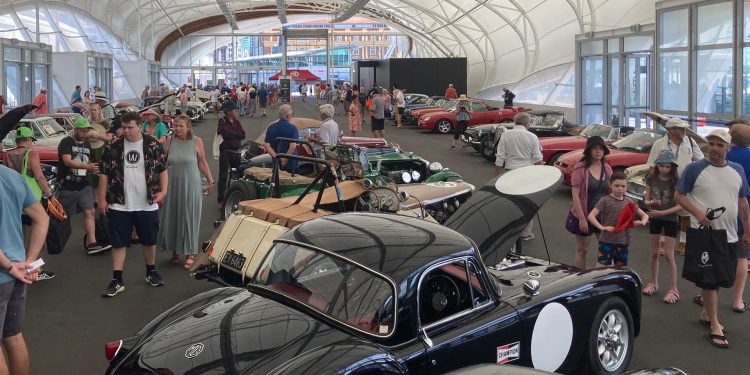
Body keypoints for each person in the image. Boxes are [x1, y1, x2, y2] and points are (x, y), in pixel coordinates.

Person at [675, 128, 750, 349]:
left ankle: (707, 313)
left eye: (720, 145)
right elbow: (679, 195)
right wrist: (697, 213)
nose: (715, 148)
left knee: (722, 276)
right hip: (705, 234)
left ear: (729, 147)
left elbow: (743, 202)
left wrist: (747, 229)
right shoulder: (694, 169)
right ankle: (715, 324)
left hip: (729, 233)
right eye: (712, 144)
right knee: (709, 279)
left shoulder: (737, 170)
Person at [98, 111, 168, 297]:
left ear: (139, 126)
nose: (126, 131)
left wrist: (163, 191)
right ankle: (117, 279)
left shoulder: (153, 144)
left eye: (130, 127)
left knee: (149, 240)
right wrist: (102, 198)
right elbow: (104, 174)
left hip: (147, 202)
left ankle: (151, 271)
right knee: (118, 242)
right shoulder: (113, 147)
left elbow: (162, 169)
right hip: (119, 203)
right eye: (124, 127)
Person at [0, 164, 49, 375]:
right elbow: (42, 218)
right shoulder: (12, 176)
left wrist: (9, 266)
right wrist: (29, 262)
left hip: (9, 271)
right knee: (13, 336)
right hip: (18, 274)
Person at [158, 115, 213, 270]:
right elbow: (163, 163)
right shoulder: (170, 140)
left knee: (189, 216)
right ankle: (175, 250)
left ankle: (190, 253)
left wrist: (210, 180)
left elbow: (202, 162)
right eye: (175, 125)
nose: (177, 129)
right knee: (173, 216)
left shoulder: (197, 141)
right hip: (172, 184)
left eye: (181, 126)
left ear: (188, 127)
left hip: (192, 184)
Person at [646, 118, 704, 256]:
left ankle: (683, 242)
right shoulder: (659, 144)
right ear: (671, 129)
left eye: (684, 127)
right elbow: (652, 166)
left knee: (685, 214)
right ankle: (662, 242)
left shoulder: (690, 141)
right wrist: (651, 185)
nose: (684, 130)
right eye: (680, 128)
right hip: (664, 184)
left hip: (685, 185)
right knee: (664, 213)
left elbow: (700, 160)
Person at [58, 117, 110, 255]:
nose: (85, 133)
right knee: (60, 216)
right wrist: (87, 166)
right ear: (75, 129)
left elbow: (88, 160)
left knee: (90, 211)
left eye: (87, 131)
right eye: (82, 130)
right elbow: (67, 161)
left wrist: (92, 169)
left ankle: (92, 243)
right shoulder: (66, 142)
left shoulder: (86, 144)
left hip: (83, 184)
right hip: (67, 184)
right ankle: (51, 239)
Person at [495, 112, 543, 241]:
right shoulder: (532, 136)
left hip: (510, 172)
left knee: (510, 202)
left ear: (515, 122)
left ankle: (508, 230)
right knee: (527, 204)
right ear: (527, 123)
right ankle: (525, 233)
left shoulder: (505, 135)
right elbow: (538, 158)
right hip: (527, 173)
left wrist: (496, 176)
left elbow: (500, 157)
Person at [641, 150, 681, 303]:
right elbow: (646, 200)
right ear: (657, 166)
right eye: (662, 166)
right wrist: (651, 203)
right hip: (655, 217)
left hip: (670, 219)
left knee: (669, 255)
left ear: (672, 167)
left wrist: (662, 212)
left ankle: (674, 289)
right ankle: (653, 282)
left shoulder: (676, 182)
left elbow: (680, 206)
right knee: (653, 252)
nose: (664, 169)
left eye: (668, 167)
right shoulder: (651, 179)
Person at [587, 171, 649, 267]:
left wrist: (642, 222)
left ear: (627, 186)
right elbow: (591, 216)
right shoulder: (605, 200)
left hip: (623, 241)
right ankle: (600, 281)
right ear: (610, 185)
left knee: (619, 267)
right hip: (607, 240)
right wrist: (602, 227)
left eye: (623, 186)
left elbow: (645, 215)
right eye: (616, 186)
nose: (620, 189)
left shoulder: (629, 202)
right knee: (602, 266)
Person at [569, 136, 613, 269]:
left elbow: (611, 193)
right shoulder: (581, 168)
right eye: (595, 149)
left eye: (601, 149)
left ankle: (600, 278)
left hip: (602, 217)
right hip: (584, 214)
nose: (598, 151)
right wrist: (582, 219)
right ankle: (579, 280)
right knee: (583, 250)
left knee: (607, 249)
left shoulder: (607, 169)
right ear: (589, 151)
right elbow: (575, 195)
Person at [726, 120, 750, 313]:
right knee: (742, 258)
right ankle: (737, 300)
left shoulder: (724, 155)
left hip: (723, 211)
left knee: (718, 255)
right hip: (746, 213)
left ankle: (705, 296)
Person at [247, 104, 299, 169]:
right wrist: (284, 159)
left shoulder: (271, 127)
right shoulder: (293, 128)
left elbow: (266, 145)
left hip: (276, 162)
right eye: (292, 114)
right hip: (290, 163)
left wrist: (276, 157)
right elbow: (293, 146)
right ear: (288, 116)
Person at [216, 103, 245, 206]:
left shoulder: (237, 122)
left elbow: (243, 134)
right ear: (228, 112)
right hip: (225, 152)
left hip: (236, 152)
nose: (236, 111)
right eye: (234, 110)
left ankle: (231, 197)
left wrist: (233, 134)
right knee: (223, 176)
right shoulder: (222, 121)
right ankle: (221, 199)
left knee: (235, 176)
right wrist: (235, 134)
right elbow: (224, 133)